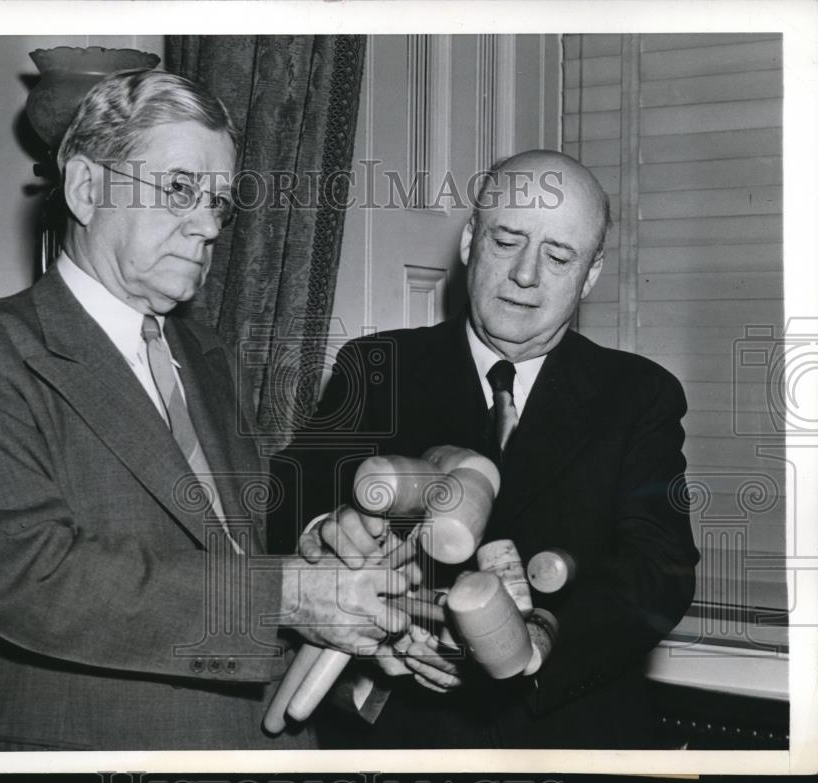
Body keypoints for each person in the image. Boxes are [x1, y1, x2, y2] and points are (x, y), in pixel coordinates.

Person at [0, 69, 411, 751]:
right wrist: (288, 593)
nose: (206, 226)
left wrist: (334, 588)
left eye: (220, 202)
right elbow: (27, 577)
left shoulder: (207, 356)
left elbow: (228, 552)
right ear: (85, 188)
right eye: (178, 189)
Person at [271, 149, 700, 748]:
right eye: (507, 242)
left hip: (569, 737)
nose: (527, 275)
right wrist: (324, 532)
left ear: (592, 274)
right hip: (404, 737)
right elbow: (289, 496)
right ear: (471, 240)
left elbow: (661, 571)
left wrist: (544, 638)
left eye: (558, 256)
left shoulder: (640, 395)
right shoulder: (377, 367)